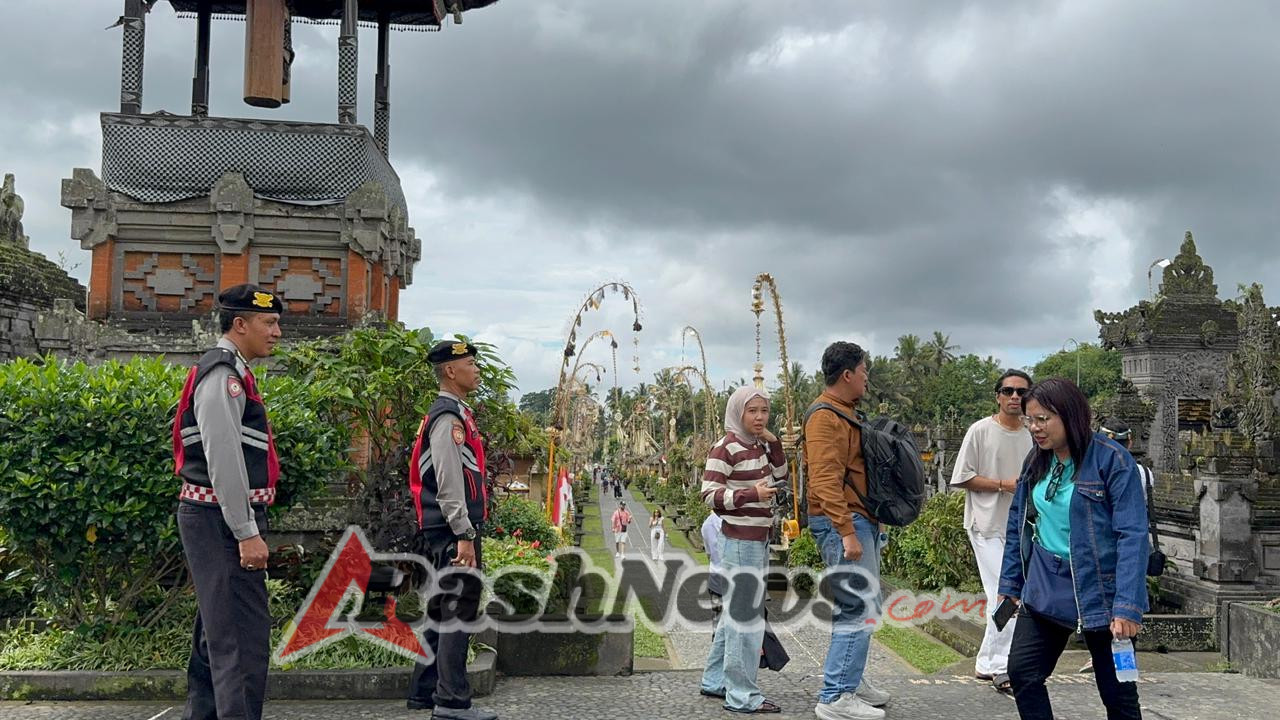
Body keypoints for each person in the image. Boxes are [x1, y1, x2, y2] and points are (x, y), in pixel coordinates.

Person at [998, 378, 1148, 720]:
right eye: (1030, 420)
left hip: (1101, 592)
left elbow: (1132, 535)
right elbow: (1018, 523)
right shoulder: (1036, 461)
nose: (1034, 428)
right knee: (1023, 673)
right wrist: (1010, 585)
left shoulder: (1113, 461)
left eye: (1042, 419)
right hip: (1044, 586)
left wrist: (1127, 606)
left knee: (1118, 695)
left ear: (1070, 415)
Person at [172, 283, 282, 720]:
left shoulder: (231, 370)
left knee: (216, 638)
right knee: (241, 642)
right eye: (268, 323)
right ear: (240, 324)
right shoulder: (222, 374)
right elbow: (224, 460)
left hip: (215, 519)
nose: (277, 333)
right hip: (220, 521)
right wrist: (247, 532)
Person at [405, 340, 497, 720]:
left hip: (446, 530)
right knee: (458, 613)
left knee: (442, 611)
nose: (477, 370)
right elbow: (448, 482)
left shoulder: (454, 413)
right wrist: (464, 533)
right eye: (470, 363)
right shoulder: (447, 418)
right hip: (453, 530)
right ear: (450, 371)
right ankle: (452, 703)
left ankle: (423, 692)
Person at [805, 341, 890, 720]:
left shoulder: (845, 412)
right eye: (864, 370)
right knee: (856, 605)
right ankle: (836, 695)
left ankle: (850, 681)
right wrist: (846, 532)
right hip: (843, 521)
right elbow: (824, 480)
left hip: (859, 518)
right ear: (848, 375)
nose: (867, 377)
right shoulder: (825, 417)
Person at [699, 385, 787, 714]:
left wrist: (776, 444)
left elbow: (780, 476)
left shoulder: (761, 444)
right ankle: (742, 695)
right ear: (738, 412)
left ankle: (715, 679)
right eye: (753, 411)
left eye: (764, 410)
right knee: (745, 622)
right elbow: (709, 494)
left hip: (758, 539)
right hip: (739, 541)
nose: (760, 417)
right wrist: (750, 494)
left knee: (735, 617)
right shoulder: (726, 447)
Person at [949, 369, 1034, 693]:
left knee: (1006, 593)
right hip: (986, 525)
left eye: (1022, 392)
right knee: (1005, 593)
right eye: (1009, 391)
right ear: (998, 396)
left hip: (1022, 526)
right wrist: (1003, 485)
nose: (1015, 397)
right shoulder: (980, 431)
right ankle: (1001, 666)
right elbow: (962, 476)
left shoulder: (1033, 432)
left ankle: (986, 662)